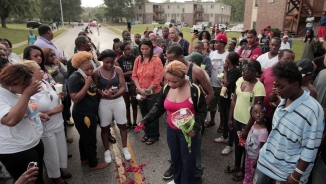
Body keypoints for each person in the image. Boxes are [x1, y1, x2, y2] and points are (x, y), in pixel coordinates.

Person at [138, 60, 207, 184]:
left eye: (174, 81)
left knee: (188, 162)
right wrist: (145, 120)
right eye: (168, 80)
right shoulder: (167, 88)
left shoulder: (195, 90)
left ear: (183, 77)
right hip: (171, 130)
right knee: (175, 159)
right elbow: (159, 107)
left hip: (188, 133)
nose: (170, 84)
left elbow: (202, 111)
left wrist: (196, 128)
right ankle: (177, 180)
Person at [255, 61, 324, 184]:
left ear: (295, 85)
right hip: (265, 163)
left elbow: (310, 147)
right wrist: (261, 156)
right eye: (275, 84)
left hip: (286, 173)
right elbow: (275, 134)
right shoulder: (283, 101)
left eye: (280, 86)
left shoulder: (312, 111)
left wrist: (296, 176)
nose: (276, 89)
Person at [164, 45, 214, 183]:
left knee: (192, 155)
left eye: (172, 60)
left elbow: (209, 94)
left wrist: (196, 120)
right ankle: (177, 174)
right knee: (177, 154)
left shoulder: (196, 72)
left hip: (191, 125)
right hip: (173, 125)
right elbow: (167, 94)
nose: (170, 64)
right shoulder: (169, 72)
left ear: (181, 57)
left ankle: (195, 174)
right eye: (168, 61)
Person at [21, 60, 70, 184]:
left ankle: (60, 169)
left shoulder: (43, 81)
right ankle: (55, 176)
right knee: (51, 153)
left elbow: (50, 96)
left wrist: (58, 96)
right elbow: (31, 113)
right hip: (46, 127)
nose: (42, 70)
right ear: (31, 73)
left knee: (61, 148)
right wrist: (52, 111)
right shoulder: (29, 89)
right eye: (39, 69)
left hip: (57, 123)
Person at [0, 64, 50, 183]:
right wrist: (27, 94)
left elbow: (21, 108)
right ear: (13, 84)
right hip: (18, 150)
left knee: (38, 178)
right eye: (25, 85)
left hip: (33, 143)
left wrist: (36, 115)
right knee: (30, 181)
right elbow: (10, 120)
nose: (28, 87)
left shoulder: (16, 90)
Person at [225, 60, 265, 181]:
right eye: (243, 70)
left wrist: (247, 129)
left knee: (248, 148)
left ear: (255, 72)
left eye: (246, 71)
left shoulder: (259, 87)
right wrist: (230, 118)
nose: (243, 73)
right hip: (236, 119)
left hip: (248, 123)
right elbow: (234, 100)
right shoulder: (240, 80)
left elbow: (257, 111)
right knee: (238, 144)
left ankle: (244, 171)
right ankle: (237, 165)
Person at [67, 51, 109, 171]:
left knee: (85, 137)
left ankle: (85, 158)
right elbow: (74, 99)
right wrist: (86, 85)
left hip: (90, 111)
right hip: (83, 114)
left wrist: (101, 92)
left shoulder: (86, 77)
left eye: (91, 68)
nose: (91, 71)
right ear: (79, 68)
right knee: (90, 138)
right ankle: (93, 164)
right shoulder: (75, 78)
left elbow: (93, 90)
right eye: (87, 69)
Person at [93, 49, 131, 163]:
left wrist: (114, 95)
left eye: (111, 62)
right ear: (101, 61)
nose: (109, 64)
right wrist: (102, 93)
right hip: (104, 103)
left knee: (122, 125)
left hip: (118, 101)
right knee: (105, 127)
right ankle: (106, 151)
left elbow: (123, 87)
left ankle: (125, 148)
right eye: (106, 62)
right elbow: (95, 88)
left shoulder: (118, 70)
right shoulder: (96, 72)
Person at [131, 39, 164, 144]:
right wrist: (140, 90)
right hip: (140, 91)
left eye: (146, 49)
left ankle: (154, 135)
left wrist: (147, 92)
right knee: (144, 113)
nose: (144, 51)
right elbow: (134, 76)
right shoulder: (138, 59)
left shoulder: (156, 60)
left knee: (152, 114)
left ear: (151, 48)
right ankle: (147, 133)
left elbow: (157, 79)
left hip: (153, 93)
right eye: (142, 49)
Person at [260, 49, 295, 131]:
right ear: (279, 59)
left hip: (278, 116)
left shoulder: (293, 77)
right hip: (263, 113)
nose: (290, 62)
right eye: (287, 59)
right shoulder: (268, 70)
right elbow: (260, 85)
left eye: (292, 60)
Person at [214, 52, 241, 156]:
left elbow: (227, 83)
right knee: (224, 118)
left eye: (226, 58)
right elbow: (224, 84)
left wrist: (225, 72)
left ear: (229, 60)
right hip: (224, 97)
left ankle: (230, 144)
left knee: (230, 122)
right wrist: (221, 82)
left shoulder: (235, 71)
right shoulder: (229, 70)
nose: (225, 59)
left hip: (231, 99)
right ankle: (224, 137)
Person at [205, 34, 229, 129]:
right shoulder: (212, 54)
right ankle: (212, 120)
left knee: (221, 105)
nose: (215, 44)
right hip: (212, 84)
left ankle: (222, 124)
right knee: (212, 104)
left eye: (217, 42)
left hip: (222, 85)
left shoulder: (227, 55)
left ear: (222, 44)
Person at [243, 102, 268, 184]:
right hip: (248, 154)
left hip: (254, 158)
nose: (258, 115)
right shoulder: (254, 124)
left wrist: (257, 160)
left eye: (261, 113)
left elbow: (262, 148)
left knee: (252, 175)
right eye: (255, 112)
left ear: (264, 114)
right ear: (251, 114)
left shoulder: (263, 132)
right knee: (247, 172)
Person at [116, 42, 138, 131]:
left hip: (134, 84)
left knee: (134, 104)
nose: (128, 51)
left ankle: (135, 123)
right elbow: (119, 74)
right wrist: (129, 72)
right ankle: (128, 122)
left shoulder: (135, 59)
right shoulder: (119, 60)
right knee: (126, 105)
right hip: (124, 84)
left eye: (129, 49)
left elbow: (137, 72)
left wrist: (127, 74)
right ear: (122, 50)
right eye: (126, 50)